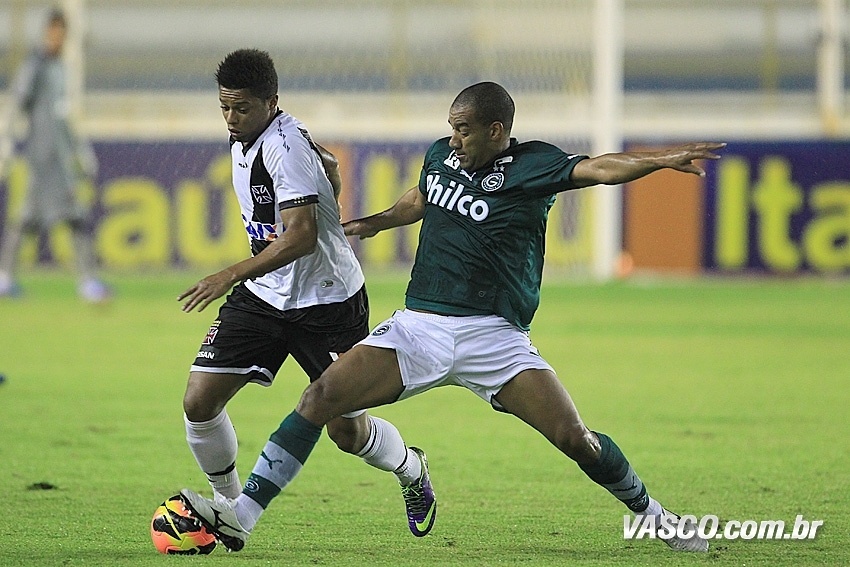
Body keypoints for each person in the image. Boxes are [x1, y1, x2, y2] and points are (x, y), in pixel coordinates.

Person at [180, 81, 724, 553]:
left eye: (464, 129)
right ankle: (243, 516)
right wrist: (373, 222)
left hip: (496, 337)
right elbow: (421, 199)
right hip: (420, 326)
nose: (454, 138)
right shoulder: (442, 155)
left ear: (496, 129)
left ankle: (655, 516)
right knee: (320, 398)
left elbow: (599, 168)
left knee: (574, 438)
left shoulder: (533, 165)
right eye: (451, 127)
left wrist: (656, 160)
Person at [176, 48, 436, 543]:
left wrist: (227, 274)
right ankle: (229, 505)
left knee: (346, 432)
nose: (231, 119)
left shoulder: (284, 145)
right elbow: (329, 161)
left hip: (328, 302)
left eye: (243, 109)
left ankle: (410, 468)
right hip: (266, 295)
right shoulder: (254, 137)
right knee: (199, 400)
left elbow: (300, 237)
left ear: (272, 102)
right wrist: (331, 177)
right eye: (224, 108)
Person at [0, 7, 110, 302]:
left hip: (59, 161)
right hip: (41, 160)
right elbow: (17, 103)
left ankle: (7, 277)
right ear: (46, 33)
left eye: (62, 34)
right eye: (54, 33)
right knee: (57, 218)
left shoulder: (60, 67)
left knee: (37, 219)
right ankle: (86, 283)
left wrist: (79, 151)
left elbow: (64, 120)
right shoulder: (35, 65)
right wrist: (7, 142)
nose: (57, 39)